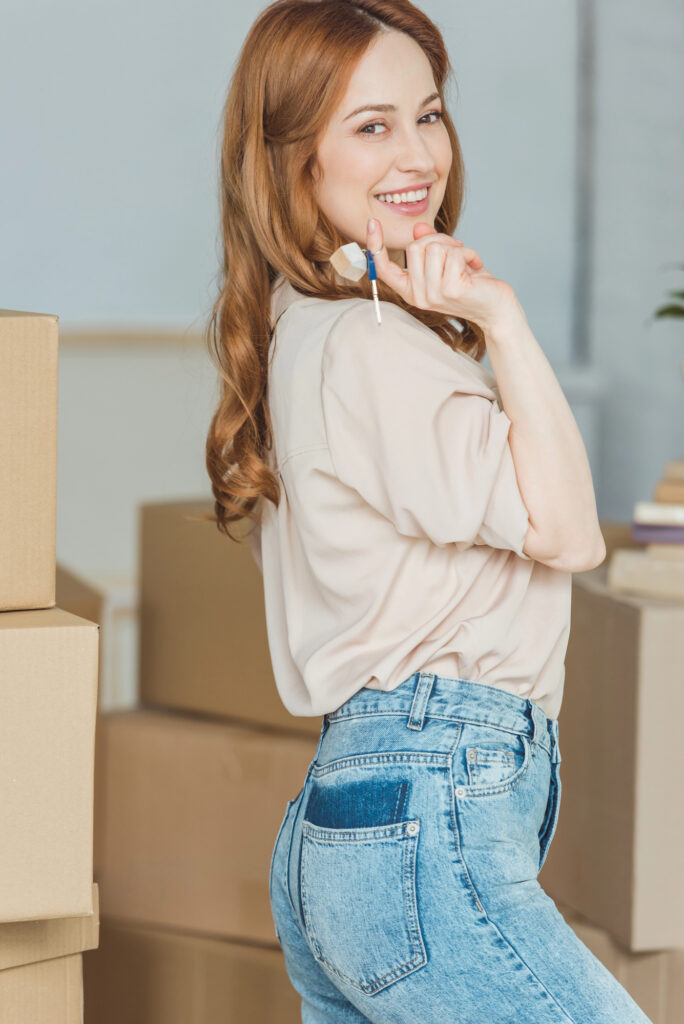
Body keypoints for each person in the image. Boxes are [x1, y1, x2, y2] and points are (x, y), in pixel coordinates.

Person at [204, 1, 652, 1021]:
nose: (418, 155)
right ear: (293, 162)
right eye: (371, 126)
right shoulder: (365, 348)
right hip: (427, 800)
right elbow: (570, 535)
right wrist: (504, 322)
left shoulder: (307, 324)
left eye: (429, 115)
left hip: (354, 822)